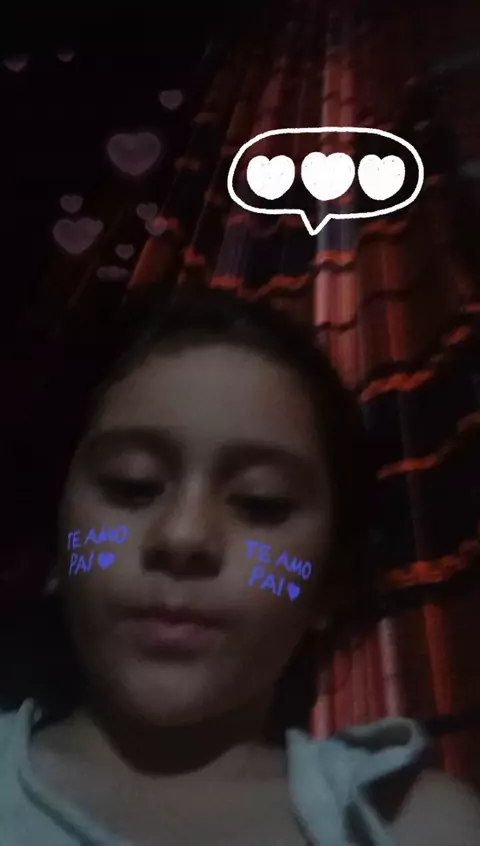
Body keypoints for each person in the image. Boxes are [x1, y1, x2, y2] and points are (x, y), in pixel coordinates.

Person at [0, 285, 479, 846]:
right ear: (56, 548)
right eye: (132, 485)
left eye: (261, 502)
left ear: (329, 584)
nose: (183, 536)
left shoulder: (411, 824)